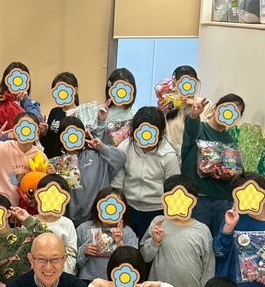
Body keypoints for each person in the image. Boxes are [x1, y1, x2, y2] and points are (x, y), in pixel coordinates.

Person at [140, 174, 215, 287]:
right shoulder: (158, 222)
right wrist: (155, 241)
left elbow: (209, 264)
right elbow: (144, 256)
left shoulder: (202, 230)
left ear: (194, 202)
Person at [181, 94, 246, 237]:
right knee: (196, 241)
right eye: (226, 108)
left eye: (235, 112)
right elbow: (190, 130)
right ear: (216, 107)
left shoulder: (231, 142)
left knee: (220, 243)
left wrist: (229, 175)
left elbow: (237, 173)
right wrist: (194, 115)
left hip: (223, 200)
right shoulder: (198, 128)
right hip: (198, 197)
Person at [76, 187, 138, 287]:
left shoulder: (128, 232)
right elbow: (74, 262)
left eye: (116, 205)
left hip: (116, 285)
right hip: (89, 281)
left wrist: (121, 244)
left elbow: (134, 264)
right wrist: (84, 251)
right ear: (98, 205)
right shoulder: (84, 229)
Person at [112, 106, 180, 239]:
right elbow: (117, 181)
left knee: (150, 246)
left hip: (156, 210)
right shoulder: (125, 147)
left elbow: (173, 189)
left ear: (160, 132)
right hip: (128, 206)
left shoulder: (168, 155)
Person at [57, 117, 127, 227]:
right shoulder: (59, 163)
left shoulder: (97, 155)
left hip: (100, 218)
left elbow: (121, 159)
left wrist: (101, 148)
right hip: (73, 221)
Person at [0, 113, 48, 207]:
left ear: (37, 132)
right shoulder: (0, 149)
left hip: (26, 211)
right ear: (14, 131)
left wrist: (51, 174)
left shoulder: (40, 156)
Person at [0, 194, 47, 284]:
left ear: (8, 213)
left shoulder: (24, 235)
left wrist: (28, 220)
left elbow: (49, 239)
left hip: (28, 285)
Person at [158, 65, 212, 156]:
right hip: (171, 157)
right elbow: (160, 133)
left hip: (195, 157)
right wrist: (160, 113)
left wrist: (195, 113)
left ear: (196, 84)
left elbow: (208, 132)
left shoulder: (205, 104)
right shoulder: (168, 104)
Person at [0, 62, 44, 139]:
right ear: (6, 82)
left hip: (26, 146)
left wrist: (26, 102)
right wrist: (7, 136)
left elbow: (37, 126)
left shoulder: (33, 105)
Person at [35, 175, 77, 275]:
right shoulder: (29, 221)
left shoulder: (67, 224)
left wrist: (60, 273)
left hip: (62, 275)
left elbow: (72, 253)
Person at [40, 72, 79, 158]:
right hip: (50, 161)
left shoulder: (80, 114)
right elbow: (47, 144)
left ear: (75, 91)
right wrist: (43, 134)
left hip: (70, 163)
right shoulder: (54, 112)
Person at [96, 68, 138, 145]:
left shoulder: (136, 114)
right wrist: (101, 121)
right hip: (106, 152)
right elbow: (97, 141)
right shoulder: (101, 112)